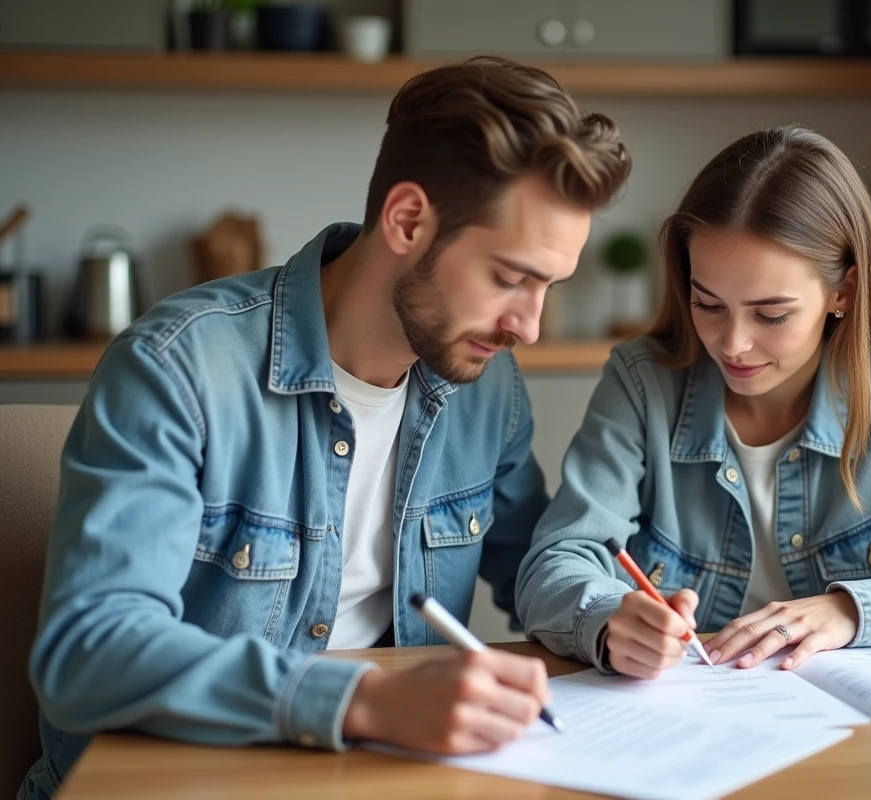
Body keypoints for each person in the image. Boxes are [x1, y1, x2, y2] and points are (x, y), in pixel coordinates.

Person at [20, 56, 630, 799]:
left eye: (548, 287)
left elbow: (533, 562)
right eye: (509, 277)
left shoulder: (484, 384)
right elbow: (89, 654)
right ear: (408, 221)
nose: (528, 326)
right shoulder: (177, 366)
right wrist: (362, 703)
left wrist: (607, 616)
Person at [515, 125, 871, 681]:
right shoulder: (642, 383)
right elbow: (554, 564)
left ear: (842, 291)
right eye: (708, 303)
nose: (733, 344)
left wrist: (858, 610)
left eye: (771, 314)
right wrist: (608, 617)